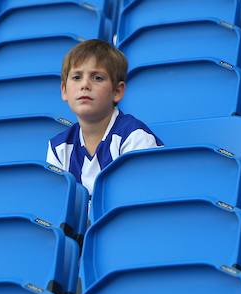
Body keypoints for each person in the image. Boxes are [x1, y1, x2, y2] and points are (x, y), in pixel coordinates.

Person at [46, 39, 163, 199]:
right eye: (77, 77)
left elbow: (140, 202)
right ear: (64, 90)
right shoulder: (58, 148)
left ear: (117, 91)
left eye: (97, 78)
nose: (85, 85)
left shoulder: (134, 137)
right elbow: (57, 209)